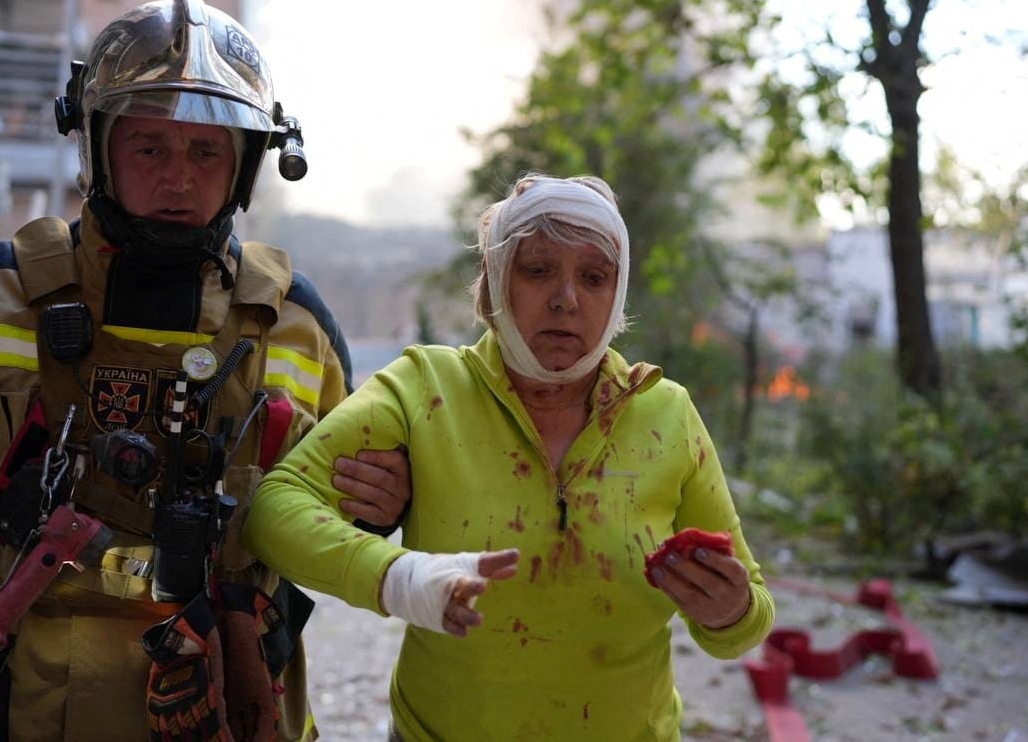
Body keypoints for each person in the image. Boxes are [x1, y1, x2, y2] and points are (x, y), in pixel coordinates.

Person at [0, 0, 410, 741]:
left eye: (206, 151)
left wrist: (380, 506)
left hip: (226, 701)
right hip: (9, 704)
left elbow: (342, 514)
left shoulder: (295, 325)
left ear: (245, 166)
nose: (178, 177)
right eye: (149, 147)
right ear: (97, 146)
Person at [243, 172, 776, 741]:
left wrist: (730, 611)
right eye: (538, 270)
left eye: (594, 277)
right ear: (495, 282)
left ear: (617, 294)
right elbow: (274, 509)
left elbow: (750, 619)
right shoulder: (424, 388)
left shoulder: (667, 412)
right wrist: (399, 577)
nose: (567, 298)